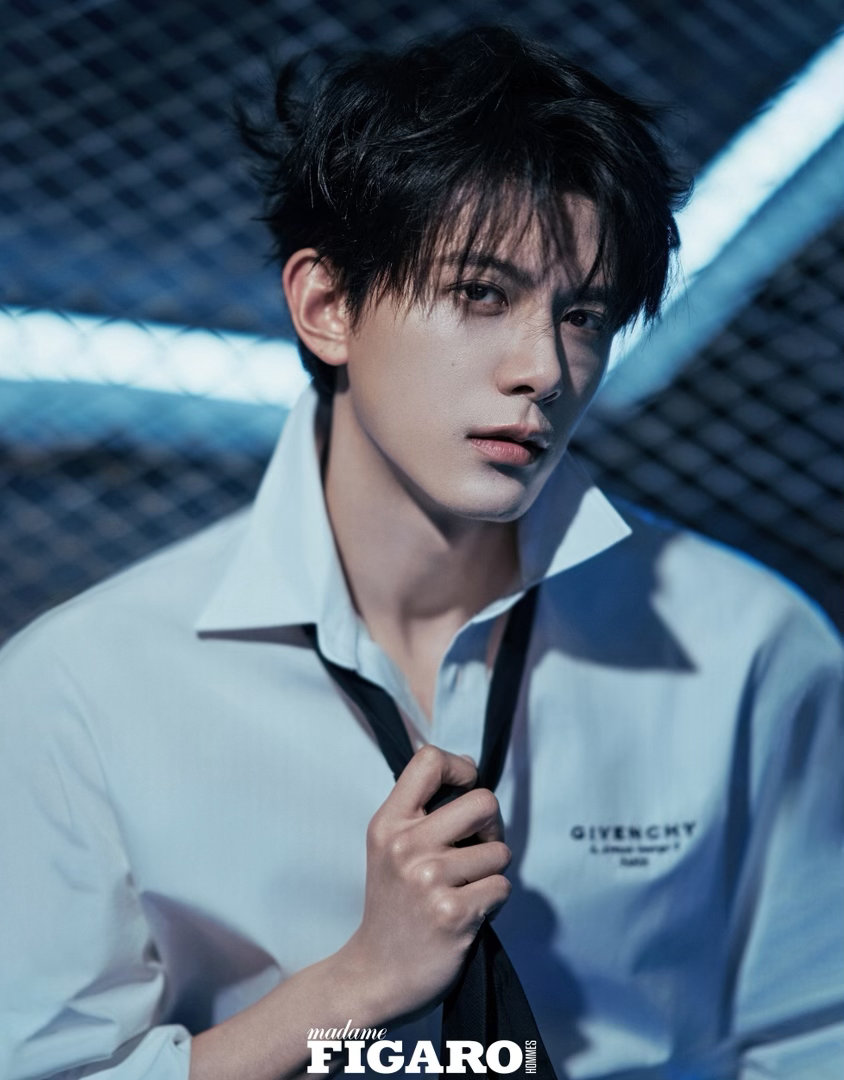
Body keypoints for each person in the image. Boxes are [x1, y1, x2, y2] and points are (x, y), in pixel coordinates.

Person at [1, 24, 841, 1080]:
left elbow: (812, 1038)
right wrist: (354, 988)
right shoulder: (80, 690)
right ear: (326, 307)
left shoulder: (749, 647)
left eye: (582, 314)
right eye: (481, 294)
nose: (544, 368)